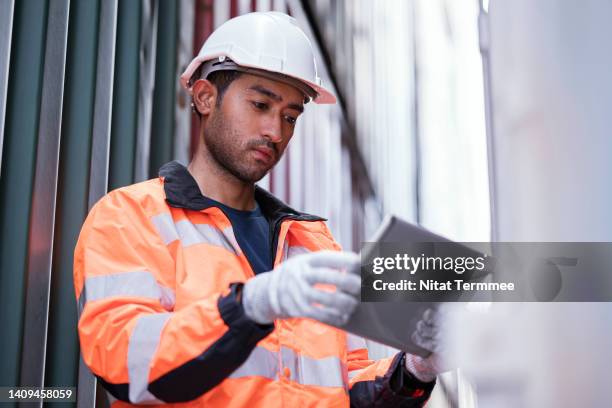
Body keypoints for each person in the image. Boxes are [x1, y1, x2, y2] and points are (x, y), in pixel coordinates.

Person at [74, 11, 442, 407]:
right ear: (204, 97)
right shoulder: (131, 218)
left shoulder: (314, 245)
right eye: (260, 104)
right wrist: (249, 307)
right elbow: (123, 359)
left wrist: (413, 372)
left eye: (289, 116)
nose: (276, 131)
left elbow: (344, 388)